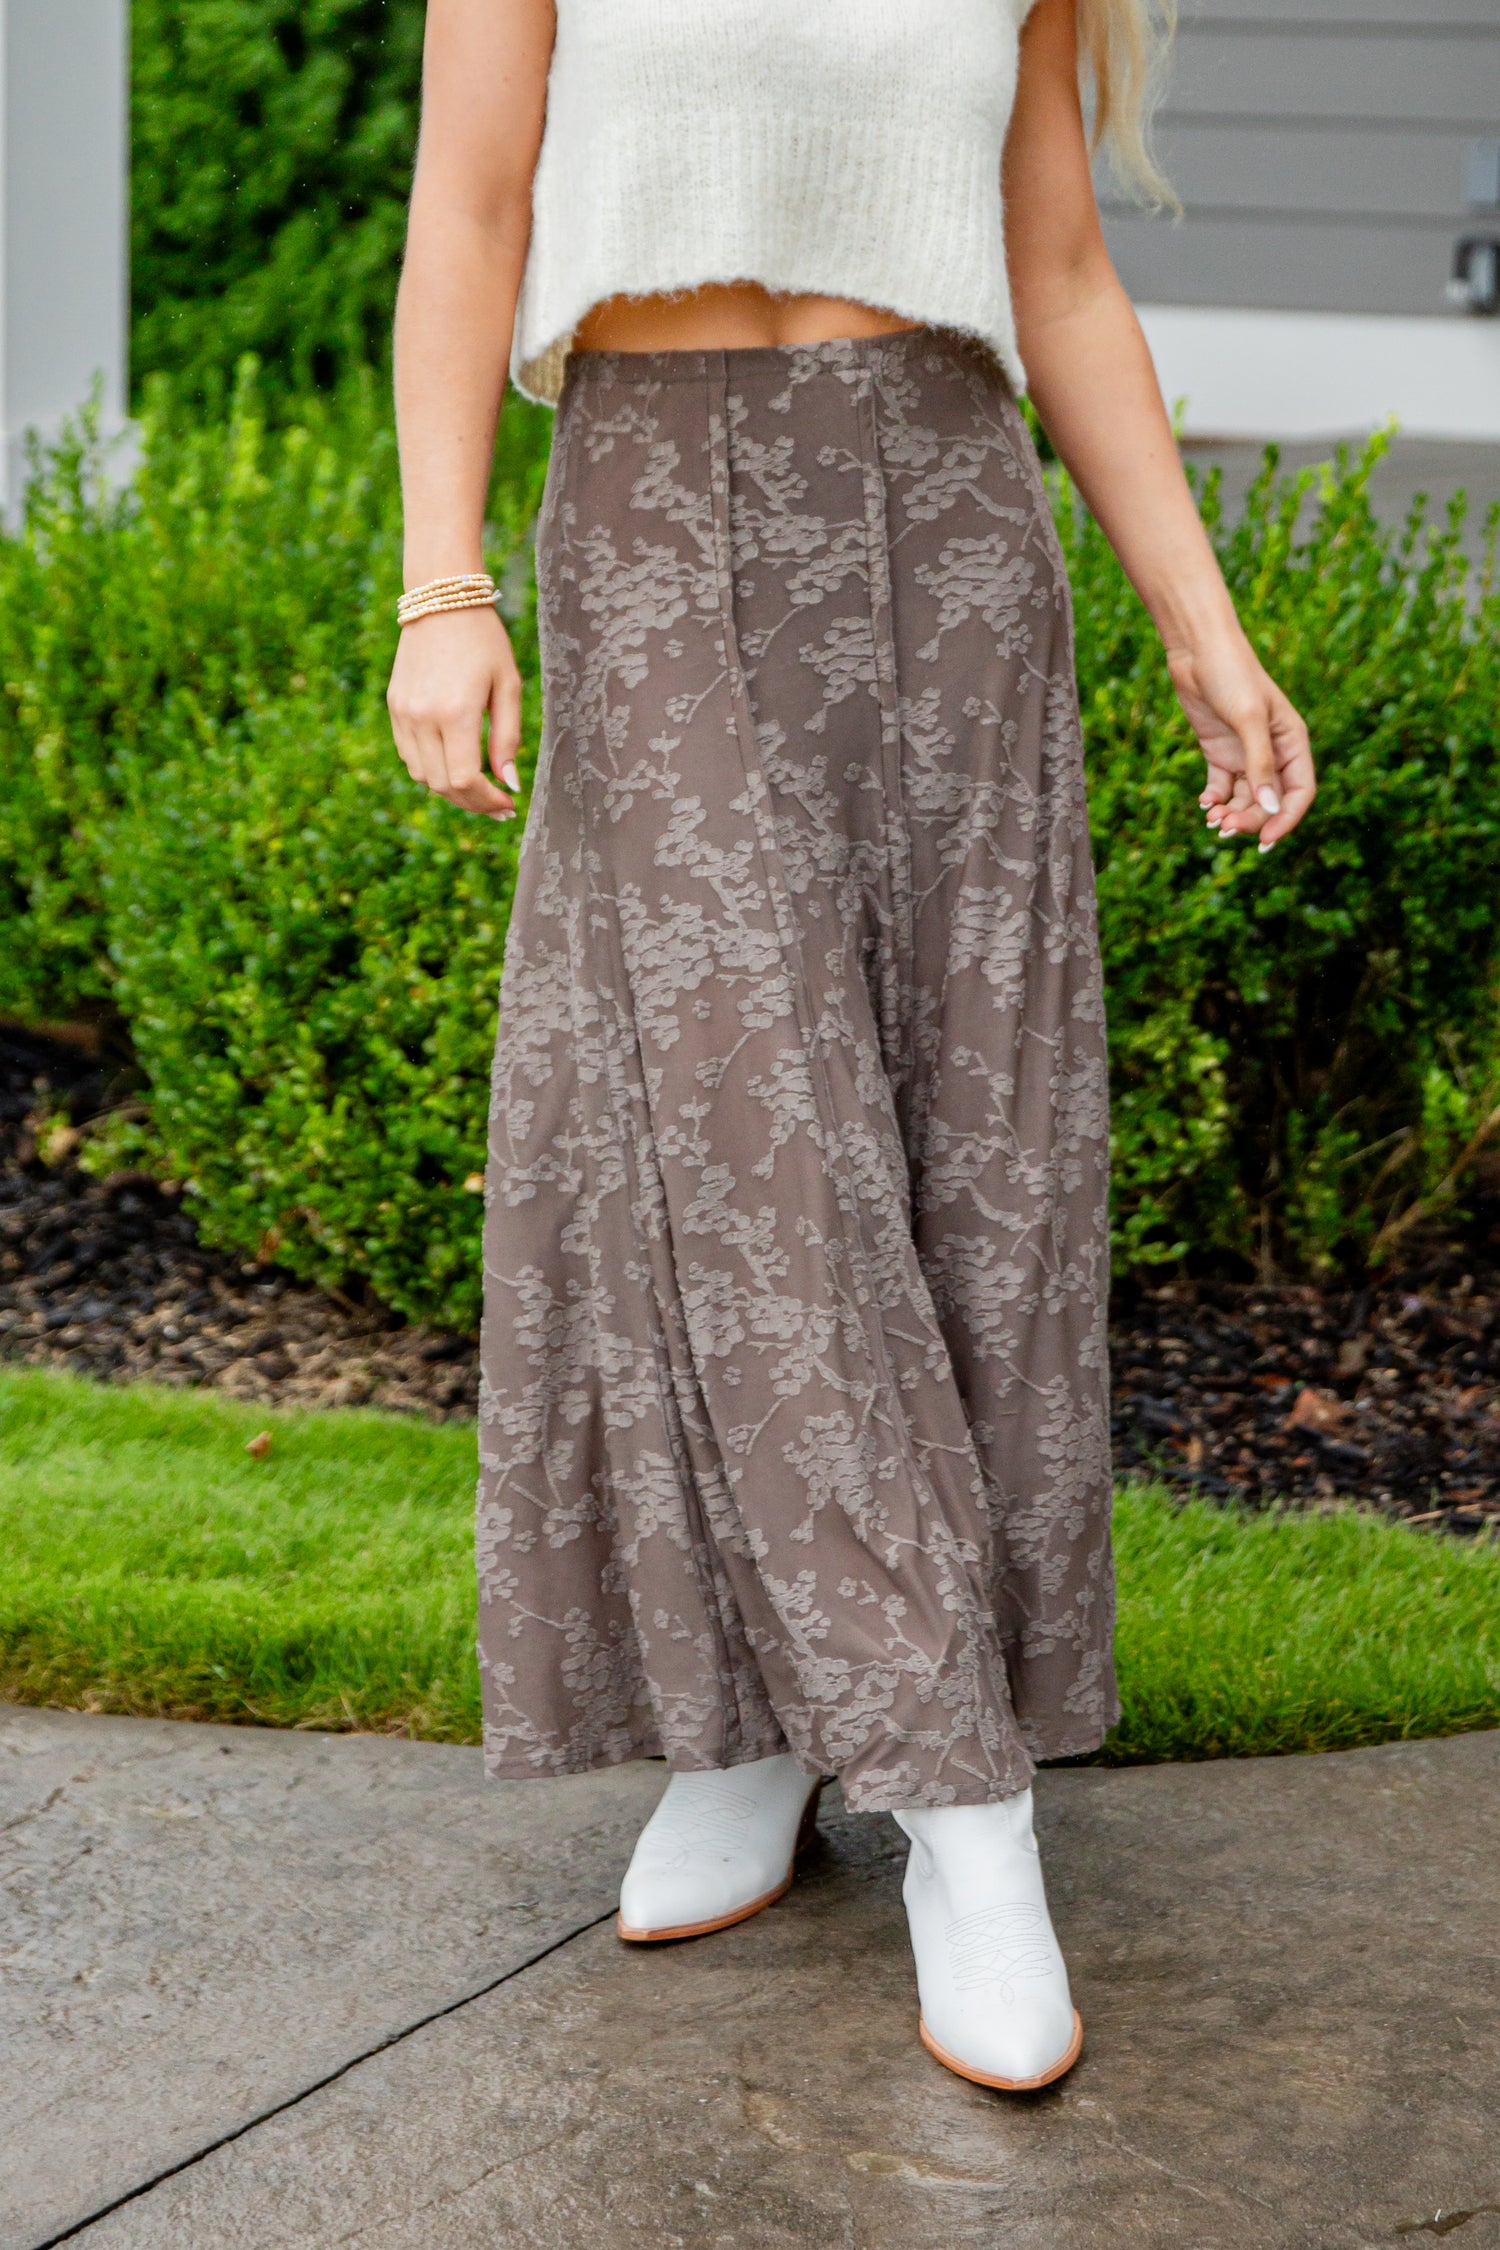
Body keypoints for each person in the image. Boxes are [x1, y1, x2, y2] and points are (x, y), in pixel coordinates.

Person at [386, 0, 1315, 2094]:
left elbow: (1057, 267)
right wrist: (444, 585)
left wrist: (1201, 623)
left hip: (951, 525)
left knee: (967, 1138)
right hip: (649, 521)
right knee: (740, 1144)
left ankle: (793, 1735)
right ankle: (951, 1814)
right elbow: (469, 213)